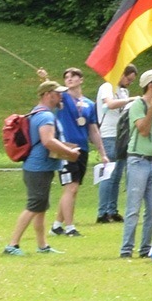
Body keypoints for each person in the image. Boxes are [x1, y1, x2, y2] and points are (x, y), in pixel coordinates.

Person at [6, 79, 75, 255]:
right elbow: (48, 141)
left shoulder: (37, 113)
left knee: (40, 207)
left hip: (38, 167)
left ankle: (42, 245)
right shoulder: (46, 116)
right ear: (47, 95)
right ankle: (12, 245)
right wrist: (70, 152)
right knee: (34, 205)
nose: (61, 96)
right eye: (57, 93)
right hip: (39, 168)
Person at [118, 70, 152, 259]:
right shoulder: (138, 105)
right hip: (138, 160)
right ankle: (126, 249)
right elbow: (143, 130)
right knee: (134, 207)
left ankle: (146, 248)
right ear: (151, 85)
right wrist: (151, 109)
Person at [52, 66, 99, 236]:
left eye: (73, 76)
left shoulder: (89, 104)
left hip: (82, 148)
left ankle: (57, 224)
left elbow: (93, 129)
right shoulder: (62, 98)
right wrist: (44, 78)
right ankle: (70, 227)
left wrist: (102, 152)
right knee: (70, 187)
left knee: (73, 188)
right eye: (66, 77)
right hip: (66, 147)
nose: (69, 79)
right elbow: (50, 89)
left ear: (81, 79)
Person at [95, 63, 135, 224]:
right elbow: (110, 104)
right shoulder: (107, 87)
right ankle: (103, 211)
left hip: (120, 135)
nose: (129, 83)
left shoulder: (124, 91)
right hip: (108, 134)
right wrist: (131, 99)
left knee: (117, 175)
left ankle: (112, 209)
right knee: (109, 175)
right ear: (121, 74)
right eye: (128, 79)